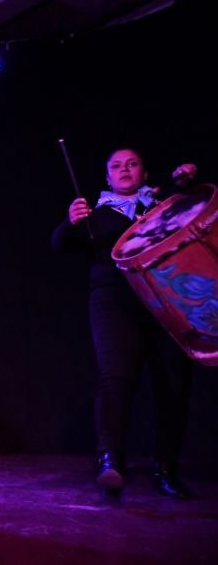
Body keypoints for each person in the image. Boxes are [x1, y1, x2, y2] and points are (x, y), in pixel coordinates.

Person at [51, 147, 197, 498]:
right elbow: (58, 244)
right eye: (116, 166)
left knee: (173, 384)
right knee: (115, 379)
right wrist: (69, 222)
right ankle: (109, 460)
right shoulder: (96, 214)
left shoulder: (161, 205)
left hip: (166, 301)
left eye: (132, 164)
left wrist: (187, 183)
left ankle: (166, 468)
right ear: (108, 178)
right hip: (114, 304)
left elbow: (196, 210)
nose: (124, 169)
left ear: (145, 174)